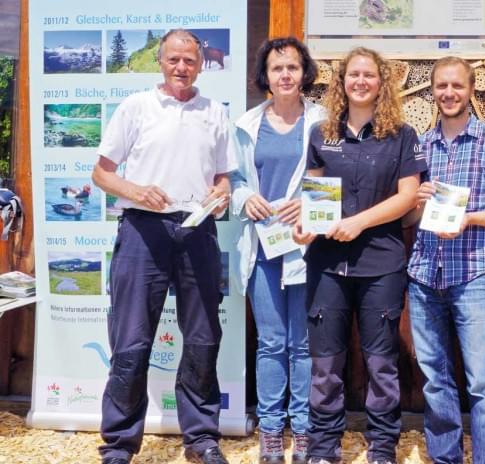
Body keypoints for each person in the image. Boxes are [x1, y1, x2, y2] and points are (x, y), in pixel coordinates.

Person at [92, 29, 236, 464]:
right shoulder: (136, 107)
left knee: (202, 337)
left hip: (197, 231)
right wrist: (136, 191)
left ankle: (202, 438)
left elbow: (223, 177)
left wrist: (223, 193)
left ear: (200, 64)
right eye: (174, 59)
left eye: (189, 61)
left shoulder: (215, 112)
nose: (182, 68)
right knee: (131, 340)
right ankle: (118, 443)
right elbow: (101, 174)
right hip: (142, 232)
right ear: (161, 61)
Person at [294, 47, 427, 464]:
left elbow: (408, 197)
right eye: (354, 74)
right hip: (327, 264)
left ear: (382, 82)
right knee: (326, 363)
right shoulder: (321, 133)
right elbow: (314, 197)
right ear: (342, 81)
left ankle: (383, 446)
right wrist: (305, 227)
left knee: (381, 363)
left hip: (381, 263)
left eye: (369, 75)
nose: (361, 81)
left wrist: (360, 222)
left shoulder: (402, 135)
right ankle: (323, 448)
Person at [404, 56, 485, 464]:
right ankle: (446, 458)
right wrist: (417, 204)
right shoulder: (419, 145)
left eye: (457, 86)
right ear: (432, 90)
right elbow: (406, 216)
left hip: (474, 274)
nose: (448, 93)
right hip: (424, 274)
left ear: (471, 90)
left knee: (482, 382)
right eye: (441, 86)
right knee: (435, 380)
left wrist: (469, 218)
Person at [229, 37, 325, 464]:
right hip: (262, 248)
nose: (284, 75)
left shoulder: (322, 121)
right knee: (270, 342)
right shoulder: (246, 124)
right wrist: (245, 196)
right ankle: (271, 432)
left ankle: (302, 432)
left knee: (303, 344)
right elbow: (231, 179)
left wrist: (310, 202)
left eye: (292, 67)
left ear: (304, 72)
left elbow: (335, 178)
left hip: (306, 247)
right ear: (264, 76)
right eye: (276, 68)